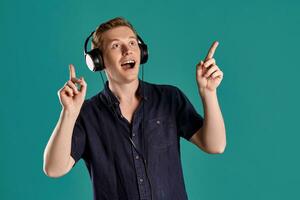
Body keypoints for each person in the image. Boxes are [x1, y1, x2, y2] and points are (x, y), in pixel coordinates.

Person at [43, 17, 226, 200]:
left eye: (132, 43)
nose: (127, 50)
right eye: (115, 46)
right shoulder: (88, 114)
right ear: (97, 61)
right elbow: (53, 169)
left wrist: (208, 92)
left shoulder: (169, 98)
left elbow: (215, 145)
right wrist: (69, 113)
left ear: (142, 52)